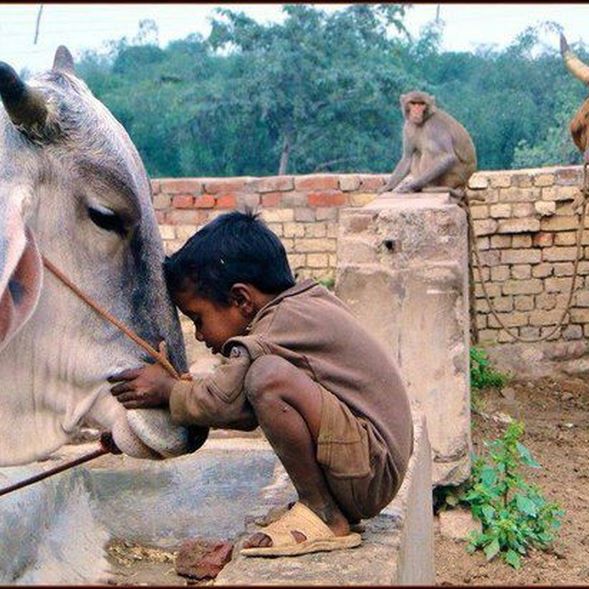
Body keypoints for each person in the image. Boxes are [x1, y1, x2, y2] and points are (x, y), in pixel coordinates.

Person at [109, 210, 413, 558]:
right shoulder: (301, 307)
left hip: (371, 471)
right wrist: (137, 431)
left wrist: (166, 390)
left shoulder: (278, 324)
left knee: (267, 377)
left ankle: (323, 515)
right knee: (262, 379)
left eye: (198, 318)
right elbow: (242, 408)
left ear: (241, 300)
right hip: (370, 466)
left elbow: (224, 401)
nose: (200, 335)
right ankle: (323, 508)